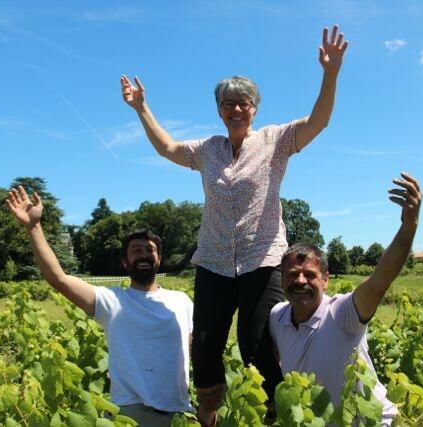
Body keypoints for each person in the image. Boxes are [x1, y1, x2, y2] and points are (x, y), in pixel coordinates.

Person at [121, 25, 349, 426]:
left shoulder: (276, 141)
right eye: (228, 103)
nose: (236, 109)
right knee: (206, 347)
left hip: (262, 258)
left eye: (243, 102)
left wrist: (330, 74)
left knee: (256, 345)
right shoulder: (208, 149)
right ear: (219, 111)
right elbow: (168, 148)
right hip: (212, 261)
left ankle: (272, 416)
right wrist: (142, 109)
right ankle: (208, 417)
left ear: (255, 109)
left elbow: (319, 121)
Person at [6, 186, 193, 427]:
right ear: (125, 262)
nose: (144, 255)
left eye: (150, 250)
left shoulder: (182, 300)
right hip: (131, 413)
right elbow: (58, 278)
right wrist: (34, 227)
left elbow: (198, 348)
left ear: (158, 259)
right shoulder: (112, 301)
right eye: (137, 251)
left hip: (180, 412)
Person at [269, 172, 422, 426]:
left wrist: (409, 227)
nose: (300, 281)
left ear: (326, 279)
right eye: (293, 274)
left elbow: (379, 282)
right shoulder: (277, 318)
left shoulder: (342, 314)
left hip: (372, 422)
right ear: (281, 279)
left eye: (310, 274)